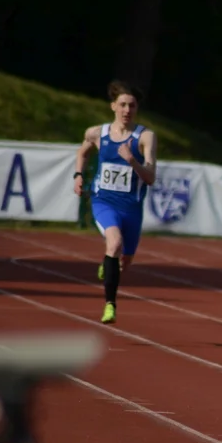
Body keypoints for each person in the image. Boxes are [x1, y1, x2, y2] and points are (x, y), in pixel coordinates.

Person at [73, 80, 158, 324]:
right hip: (104, 202)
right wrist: (79, 175)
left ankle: (109, 263)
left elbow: (150, 178)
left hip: (131, 208)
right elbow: (83, 151)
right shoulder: (97, 133)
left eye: (132, 105)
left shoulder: (146, 137)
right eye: (122, 105)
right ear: (113, 106)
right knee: (114, 243)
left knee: (125, 260)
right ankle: (110, 305)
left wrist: (132, 161)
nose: (127, 110)